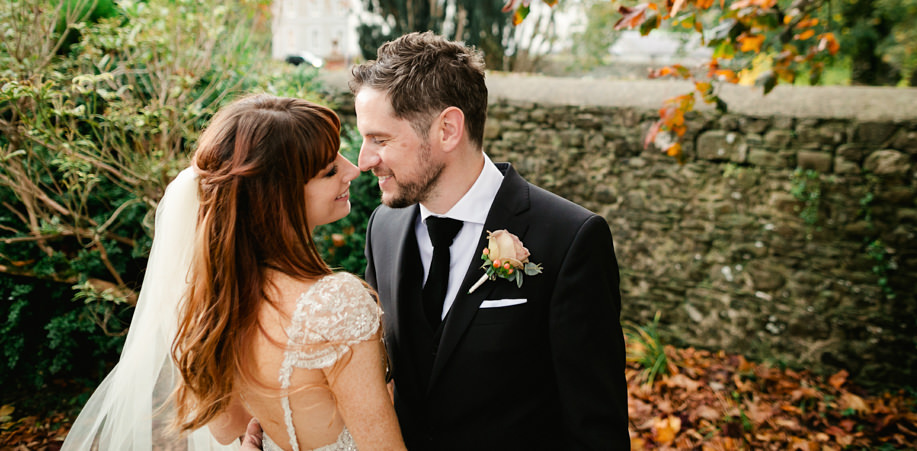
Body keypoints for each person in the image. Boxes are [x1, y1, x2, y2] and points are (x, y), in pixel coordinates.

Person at [62, 94, 406, 451]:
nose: (353, 168)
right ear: (279, 198)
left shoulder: (215, 298)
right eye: (329, 170)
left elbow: (228, 429)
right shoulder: (335, 304)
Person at [351, 32, 629, 450]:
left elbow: (596, 427)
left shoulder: (570, 239)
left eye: (380, 139)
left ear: (447, 129)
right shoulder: (383, 229)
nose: (364, 160)